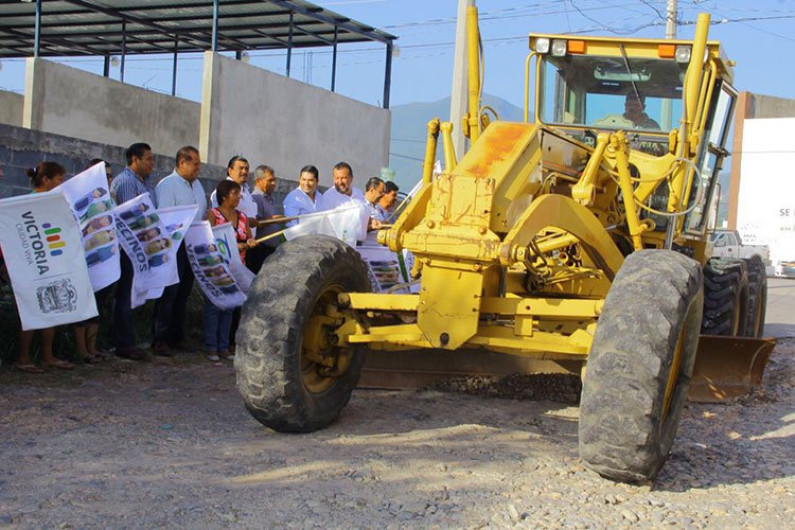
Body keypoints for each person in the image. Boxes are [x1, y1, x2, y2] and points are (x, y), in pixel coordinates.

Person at [13, 162, 73, 373]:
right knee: (29, 310)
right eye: (58, 179)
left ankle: (47, 356)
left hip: (51, 264)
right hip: (30, 265)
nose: (61, 184)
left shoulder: (54, 203)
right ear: (46, 180)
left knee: (50, 308)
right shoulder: (26, 203)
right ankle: (23, 357)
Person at [151, 146, 207, 356]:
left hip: (192, 245)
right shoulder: (168, 185)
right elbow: (166, 218)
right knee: (169, 294)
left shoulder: (198, 185)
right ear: (182, 163)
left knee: (183, 293)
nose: (198, 168)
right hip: (173, 246)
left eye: (199, 164)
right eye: (195, 164)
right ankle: (159, 338)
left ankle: (176, 337)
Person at [109, 142, 156, 361]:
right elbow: (131, 218)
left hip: (142, 247)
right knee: (125, 295)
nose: (152, 163)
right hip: (128, 247)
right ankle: (123, 343)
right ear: (135, 159)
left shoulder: (145, 183)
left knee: (134, 293)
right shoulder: (126, 182)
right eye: (148, 159)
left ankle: (129, 339)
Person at [205, 179, 256, 362]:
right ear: (225, 196)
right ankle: (211, 346)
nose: (239, 197)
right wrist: (237, 245)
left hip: (236, 267)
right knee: (214, 306)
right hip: (217, 267)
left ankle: (224, 347)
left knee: (230, 306)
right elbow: (208, 240)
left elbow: (249, 238)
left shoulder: (242, 217)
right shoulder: (213, 215)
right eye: (235, 193)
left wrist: (249, 244)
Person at [248, 164, 284, 273]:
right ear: (259, 181)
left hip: (270, 250)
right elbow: (253, 224)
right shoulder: (256, 198)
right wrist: (272, 220)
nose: (274, 184)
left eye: (274, 180)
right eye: (270, 180)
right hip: (260, 250)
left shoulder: (269, 198)